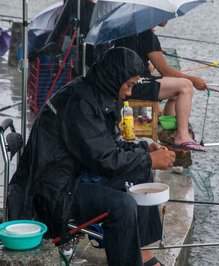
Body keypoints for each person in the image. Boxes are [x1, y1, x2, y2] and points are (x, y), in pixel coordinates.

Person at [8, 47, 175, 266]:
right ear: (115, 78)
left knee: (139, 173)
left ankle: (140, 253)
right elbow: (104, 160)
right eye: (129, 85)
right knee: (122, 205)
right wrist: (149, 159)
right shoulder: (80, 103)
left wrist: (143, 150)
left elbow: (108, 146)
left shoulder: (97, 94)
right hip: (53, 191)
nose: (129, 93)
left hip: (73, 175)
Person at [114, 26, 207, 152]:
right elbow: (165, 70)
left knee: (175, 93)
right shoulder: (147, 35)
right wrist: (194, 80)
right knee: (185, 86)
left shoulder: (127, 30)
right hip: (135, 85)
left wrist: (149, 63)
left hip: (123, 82)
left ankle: (168, 131)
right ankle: (182, 136)